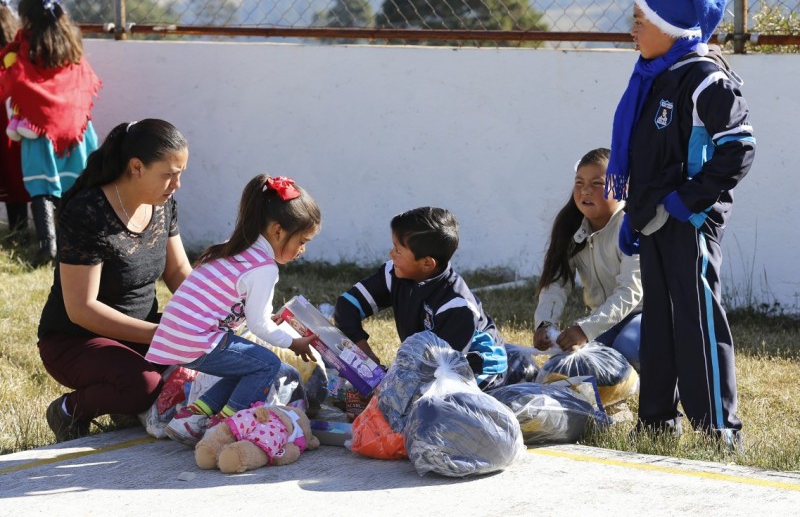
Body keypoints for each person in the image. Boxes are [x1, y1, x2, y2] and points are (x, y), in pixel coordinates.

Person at [606, 0, 755, 447]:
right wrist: (634, 213)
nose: (632, 28)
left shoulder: (705, 79)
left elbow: (739, 148)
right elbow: (649, 154)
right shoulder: (653, 76)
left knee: (697, 321)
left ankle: (718, 427)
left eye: (640, 19)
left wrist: (685, 200)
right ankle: (656, 421)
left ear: (671, 27)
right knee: (661, 326)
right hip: (653, 220)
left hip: (688, 220)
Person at [37, 119, 192, 442]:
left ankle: (127, 404)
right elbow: (82, 308)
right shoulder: (88, 212)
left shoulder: (163, 205)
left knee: (210, 359)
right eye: (169, 174)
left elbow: (178, 273)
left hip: (140, 335)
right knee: (144, 386)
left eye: (180, 174)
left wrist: (213, 315)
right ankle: (68, 410)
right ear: (136, 167)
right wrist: (160, 334)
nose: (177, 184)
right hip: (75, 340)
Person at [146, 174, 321, 446]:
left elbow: (240, 309)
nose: (303, 250)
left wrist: (268, 319)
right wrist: (293, 342)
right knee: (269, 365)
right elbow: (259, 326)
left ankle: (191, 418)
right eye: (302, 241)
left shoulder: (235, 250)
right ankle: (226, 428)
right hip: (198, 340)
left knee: (248, 368)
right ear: (278, 231)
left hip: (176, 337)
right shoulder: (264, 268)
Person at [334, 206, 508, 390]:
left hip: (476, 371)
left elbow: (440, 374)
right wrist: (363, 353)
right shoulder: (394, 273)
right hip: (431, 365)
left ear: (427, 263)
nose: (391, 254)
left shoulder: (457, 306)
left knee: (428, 411)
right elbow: (347, 306)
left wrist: (388, 387)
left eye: (398, 250)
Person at [0, 0, 101, 266]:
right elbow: (81, 79)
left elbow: (15, 79)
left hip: (39, 127)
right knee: (75, 184)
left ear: (27, 18)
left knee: (42, 186)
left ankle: (48, 246)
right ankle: (74, 244)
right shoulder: (72, 43)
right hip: (76, 127)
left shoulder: (27, 47)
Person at [533, 148, 643, 370]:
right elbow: (557, 281)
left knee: (626, 349)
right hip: (603, 319)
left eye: (597, 183)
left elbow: (630, 292)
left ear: (623, 187)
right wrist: (545, 324)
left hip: (645, 316)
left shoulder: (633, 226)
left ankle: (643, 385)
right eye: (579, 182)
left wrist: (585, 330)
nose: (585, 191)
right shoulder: (571, 228)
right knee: (565, 363)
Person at [0, 0, 30, 240]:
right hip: (14, 129)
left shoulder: (12, 59)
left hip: (10, 127)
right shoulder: (18, 55)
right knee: (14, 179)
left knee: (12, 178)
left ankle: (19, 232)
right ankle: (18, 231)